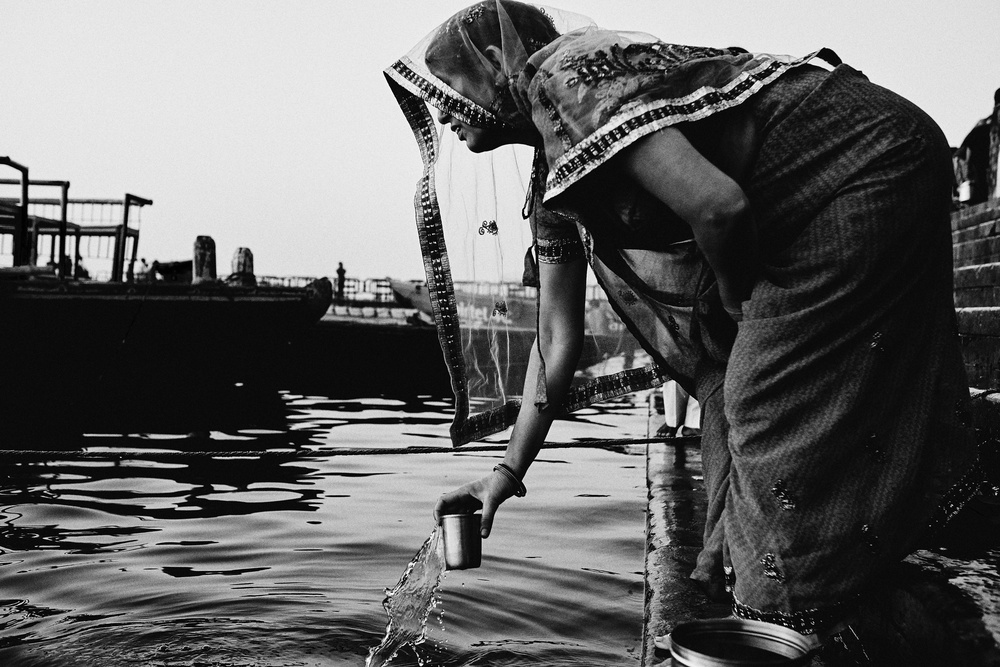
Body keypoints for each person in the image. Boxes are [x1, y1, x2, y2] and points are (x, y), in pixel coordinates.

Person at [386, 0, 984, 647]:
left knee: (761, 401)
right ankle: (870, 620)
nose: (442, 106)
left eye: (450, 84)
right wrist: (504, 475)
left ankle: (791, 627)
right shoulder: (557, 169)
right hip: (862, 173)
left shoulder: (563, 81)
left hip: (861, 165)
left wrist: (736, 302)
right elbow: (556, 340)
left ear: (499, 61)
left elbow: (720, 209)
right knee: (740, 396)